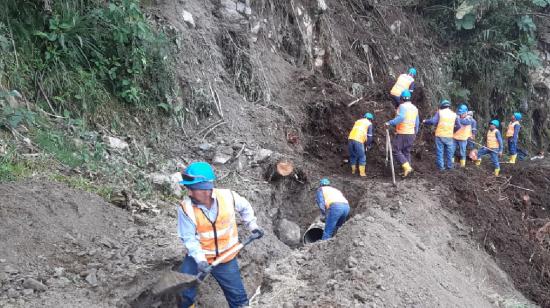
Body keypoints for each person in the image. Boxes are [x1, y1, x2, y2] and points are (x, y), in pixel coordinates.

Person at [177, 162, 264, 308]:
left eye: (192, 189)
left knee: (239, 300)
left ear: (205, 188)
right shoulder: (186, 208)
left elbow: (245, 207)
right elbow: (188, 238)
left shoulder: (228, 197)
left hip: (226, 258)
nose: (189, 193)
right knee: (184, 294)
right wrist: (200, 260)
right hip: (197, 257)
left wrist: (252, 225)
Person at [385, 89, 419, 177]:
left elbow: (401, 117)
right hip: (411, 133)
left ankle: (407, 168)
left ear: (401, 98)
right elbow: (417, 122)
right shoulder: (415, 108)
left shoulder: (402, 107)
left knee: (395, 150)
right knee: (406, 152)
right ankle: (407, 171)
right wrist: (415, 133)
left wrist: (390, 123)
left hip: (403, 132)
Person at [423, 100, 459, 171]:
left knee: (440, 151)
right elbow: (459, 126)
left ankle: (441, 168)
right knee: (449, 152)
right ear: (449, 106)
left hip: (440, 135)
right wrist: (453, 131)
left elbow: (433, 121)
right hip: (449, 136)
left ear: (442, 106)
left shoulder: (440, 112)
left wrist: (425, 121)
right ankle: (449, 166)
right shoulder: (454, 114)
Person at [348, 113, 374, 177]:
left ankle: (353, 171)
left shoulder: (358, 121)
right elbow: (370, 136)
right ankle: (362, 174)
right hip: (358, 140)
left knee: (353, 155)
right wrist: (368, 145)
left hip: (350, 139)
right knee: (362, 156)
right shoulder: (369, 123)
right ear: (370, 119)